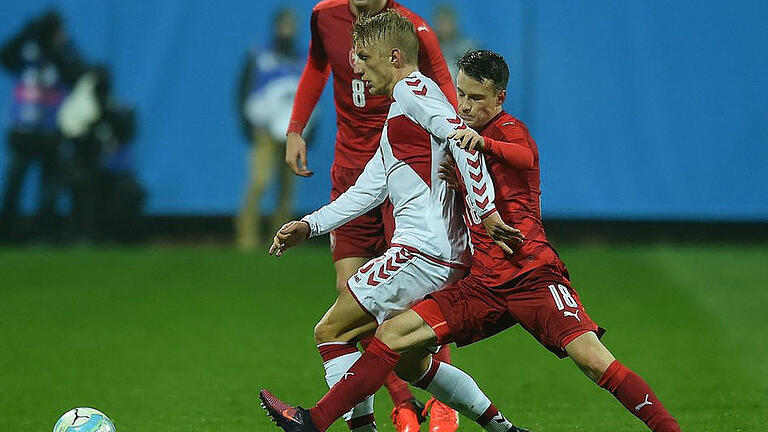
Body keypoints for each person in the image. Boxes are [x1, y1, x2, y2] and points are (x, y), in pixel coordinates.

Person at [260, 50, 684, 432]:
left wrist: (483, 147)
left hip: (532, 276)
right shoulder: (457, 139)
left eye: (477, 98)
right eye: (460, 95)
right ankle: (314, 421)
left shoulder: (510, 131)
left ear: (499, 98)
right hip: (482, 284)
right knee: (390, 337)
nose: (464, 106)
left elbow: (526, 158)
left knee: (594, 361)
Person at [263, 13, 525, 432]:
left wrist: (485, 213)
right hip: (440, 257)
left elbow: (465, 142)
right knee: (411, 363)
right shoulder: (400, 112)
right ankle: (503, 428)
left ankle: (337, 426)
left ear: (396, 57)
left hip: (422, 253)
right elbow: (366, 192)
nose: (356, 68)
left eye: (364, 58)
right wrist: (308, 226)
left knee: (332, 331)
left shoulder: (415, 91)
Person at [285, 1, 460, 430]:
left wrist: (465, 172)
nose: (359, 68)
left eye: (364, 59)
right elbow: (315, 66)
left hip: (405, 177)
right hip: (354, 172)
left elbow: (447, 103)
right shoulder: (325, 16)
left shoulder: (410, 30)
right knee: (351, 295)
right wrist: (295, 127)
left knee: (410, 303)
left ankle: (442, 406)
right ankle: (403, 404)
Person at [0, 9, 83, 242]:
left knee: (49, 189)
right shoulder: (27, 48)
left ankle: (45, 234)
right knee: (14, 185)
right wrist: (26, 33)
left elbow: (76, 75)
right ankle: (7, 233)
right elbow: (5, 57)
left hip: (50, 130)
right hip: (22, 129)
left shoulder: (65, 50)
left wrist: (54, 49)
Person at [235, 8, 308, 250]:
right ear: (276, 26)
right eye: (284, 24)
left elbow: (309, 96)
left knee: (287, 188)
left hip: (291, 133)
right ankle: (246, 239)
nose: (289, 30)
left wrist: (311, 129)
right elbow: (242, 88)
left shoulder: (301, 58)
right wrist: (245, 122)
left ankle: (282, 240)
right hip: (264, 130)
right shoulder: (259, 53)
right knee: (260, 181)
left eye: (292, 25)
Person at [433, 4, 476, 80]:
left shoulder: (466, 47)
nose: (445, 26)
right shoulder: (430, 49)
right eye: (442, 21)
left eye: (447, 21)